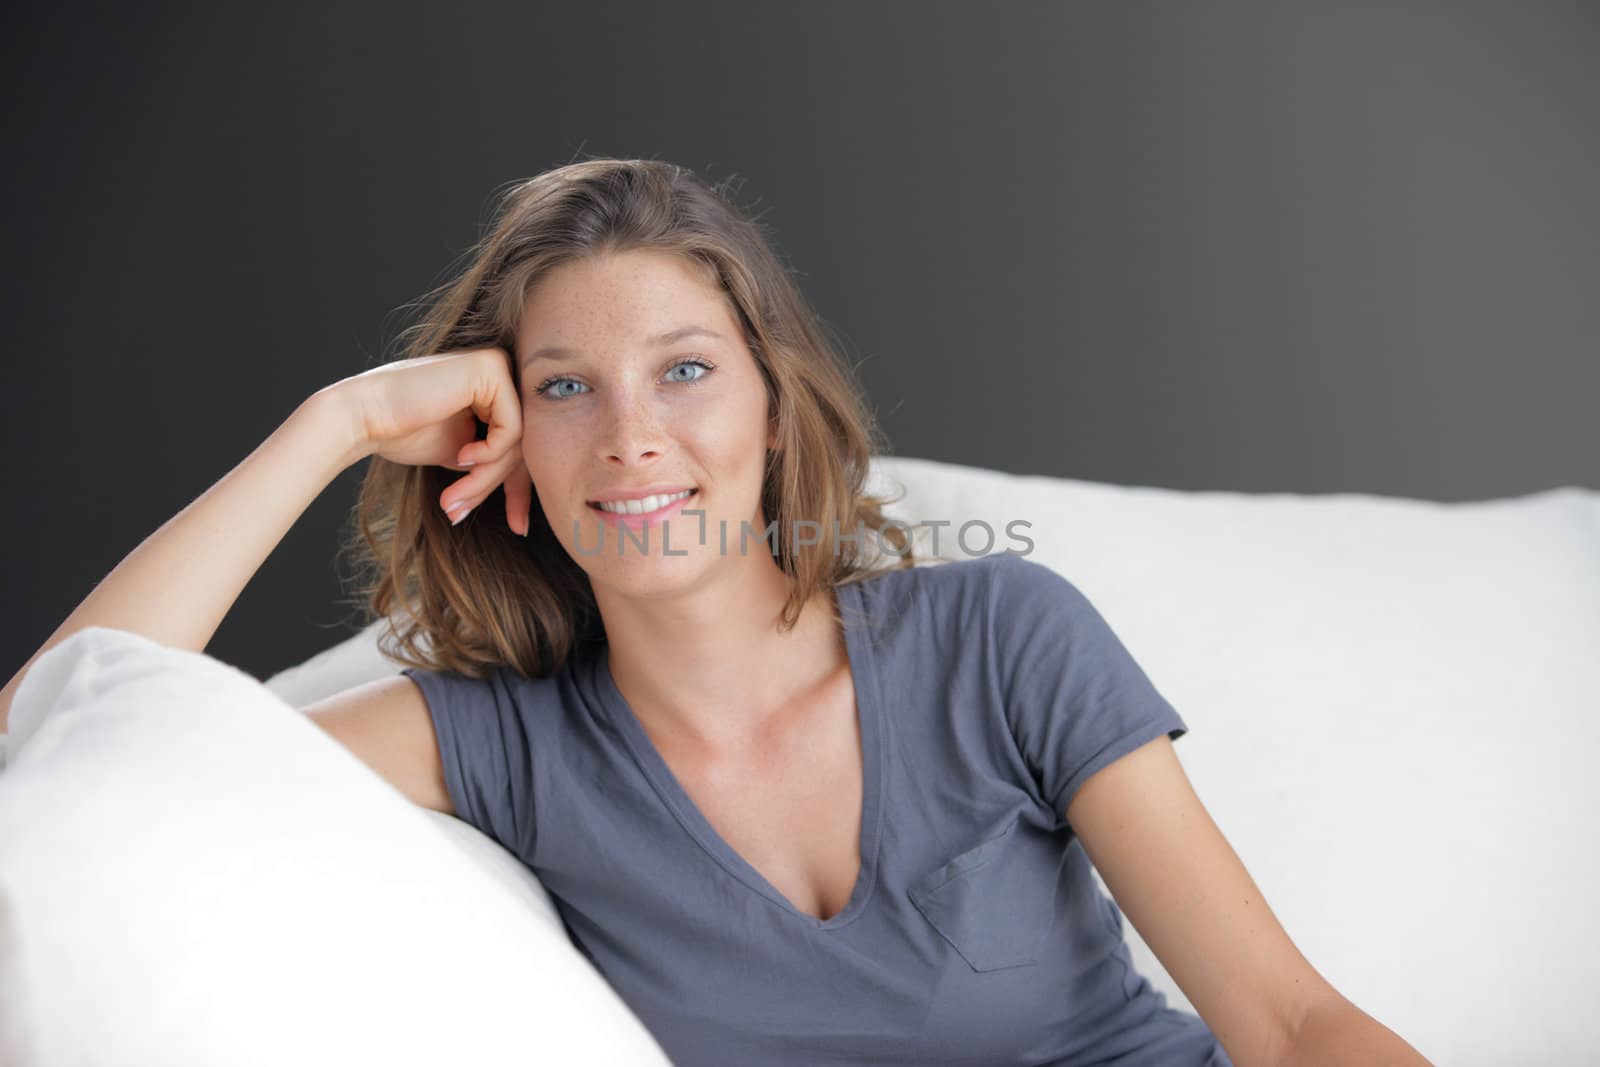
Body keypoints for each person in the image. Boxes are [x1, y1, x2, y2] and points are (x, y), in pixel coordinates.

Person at [0, 157, 1431, 1067]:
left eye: (684, 370)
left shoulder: (1002, 637)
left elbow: (1294, 1028)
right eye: (565, 386)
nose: (631, 435)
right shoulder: (498, 749)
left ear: (769, 403)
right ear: (498, 439)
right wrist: (338, 422)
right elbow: (63, 744)